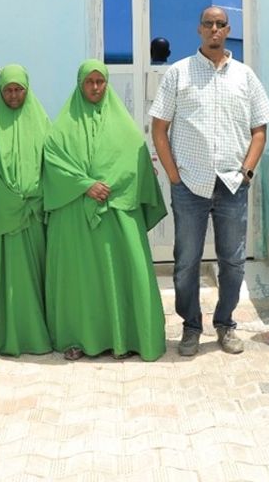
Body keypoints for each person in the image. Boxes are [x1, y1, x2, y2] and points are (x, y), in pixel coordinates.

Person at [150, 6, 269, 357]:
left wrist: (247, 171)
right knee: (186, 261)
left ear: (228, 28)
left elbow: (260, 130)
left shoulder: (245, 76)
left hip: (232, 184)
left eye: (221, 24)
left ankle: (225, 323)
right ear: (199, 29)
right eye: (209, 24)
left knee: (233, 262)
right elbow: (159, 128)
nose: (215, 30)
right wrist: (174, 176)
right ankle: (191, 328)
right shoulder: (179, 74)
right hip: (190, 183)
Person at [44, 60, 168, 361]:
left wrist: (106, 185)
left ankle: (123, 337)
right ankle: (76, 338)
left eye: (101, 82)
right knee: (79, 281)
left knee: (118, 274)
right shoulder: (62, 128)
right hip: (75, 216)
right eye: (90, 82)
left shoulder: (124, 126)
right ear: (80, 84)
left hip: (115, 212)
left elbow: (134, 159)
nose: (96, 87)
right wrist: (85, 184)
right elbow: (53, 160)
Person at [0, 65, 52, 357]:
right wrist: (7, 198)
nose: (14, 95)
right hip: (0, 218)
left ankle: (37, 332)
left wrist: (32, 195)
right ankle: (2, 333)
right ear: (0, 91)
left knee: (33, 278)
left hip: (32, 216)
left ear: (27, 90)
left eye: (19, 89)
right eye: (8, 89)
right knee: (2, 279)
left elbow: (51, 164)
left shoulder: (42, 123)